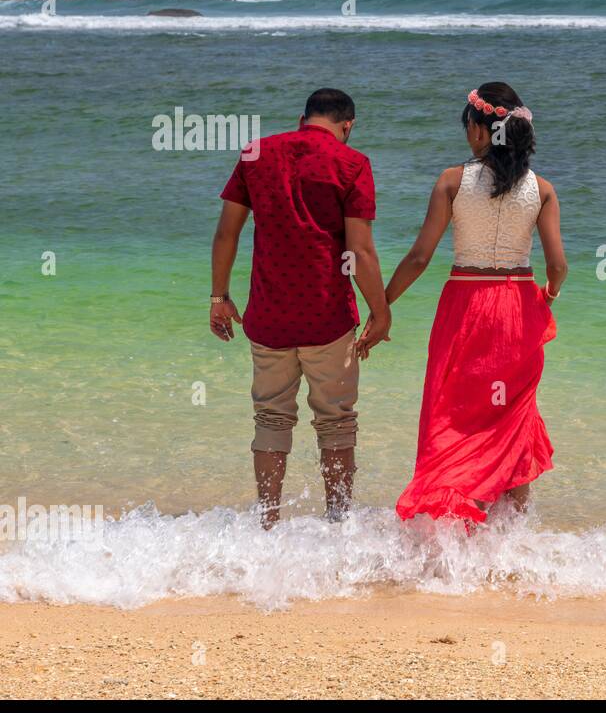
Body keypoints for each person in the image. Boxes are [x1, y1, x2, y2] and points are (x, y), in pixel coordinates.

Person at [363, 82, 566, 522]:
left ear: (478, 130)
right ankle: (512, 535)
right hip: (518, 309)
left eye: (468, 126)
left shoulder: (452, 181)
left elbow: (419, 257)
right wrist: (546, 298)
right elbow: (558, 266)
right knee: (512, 416)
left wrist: (383, 307)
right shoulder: (543, 190)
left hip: (466, 305)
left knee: (452, 413)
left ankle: (449, 521)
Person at [210, 88, 390, 528]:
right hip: (327, 318)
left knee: (271, 417)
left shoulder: (255, 153)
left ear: (301, 118)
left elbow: (226, 234)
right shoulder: (353, 164)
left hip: (268, 317)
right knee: (336, 421)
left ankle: (268, 523)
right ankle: (338, 523)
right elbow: (361, 251)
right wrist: (380, 312)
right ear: (348, 125)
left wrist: (219, 297)